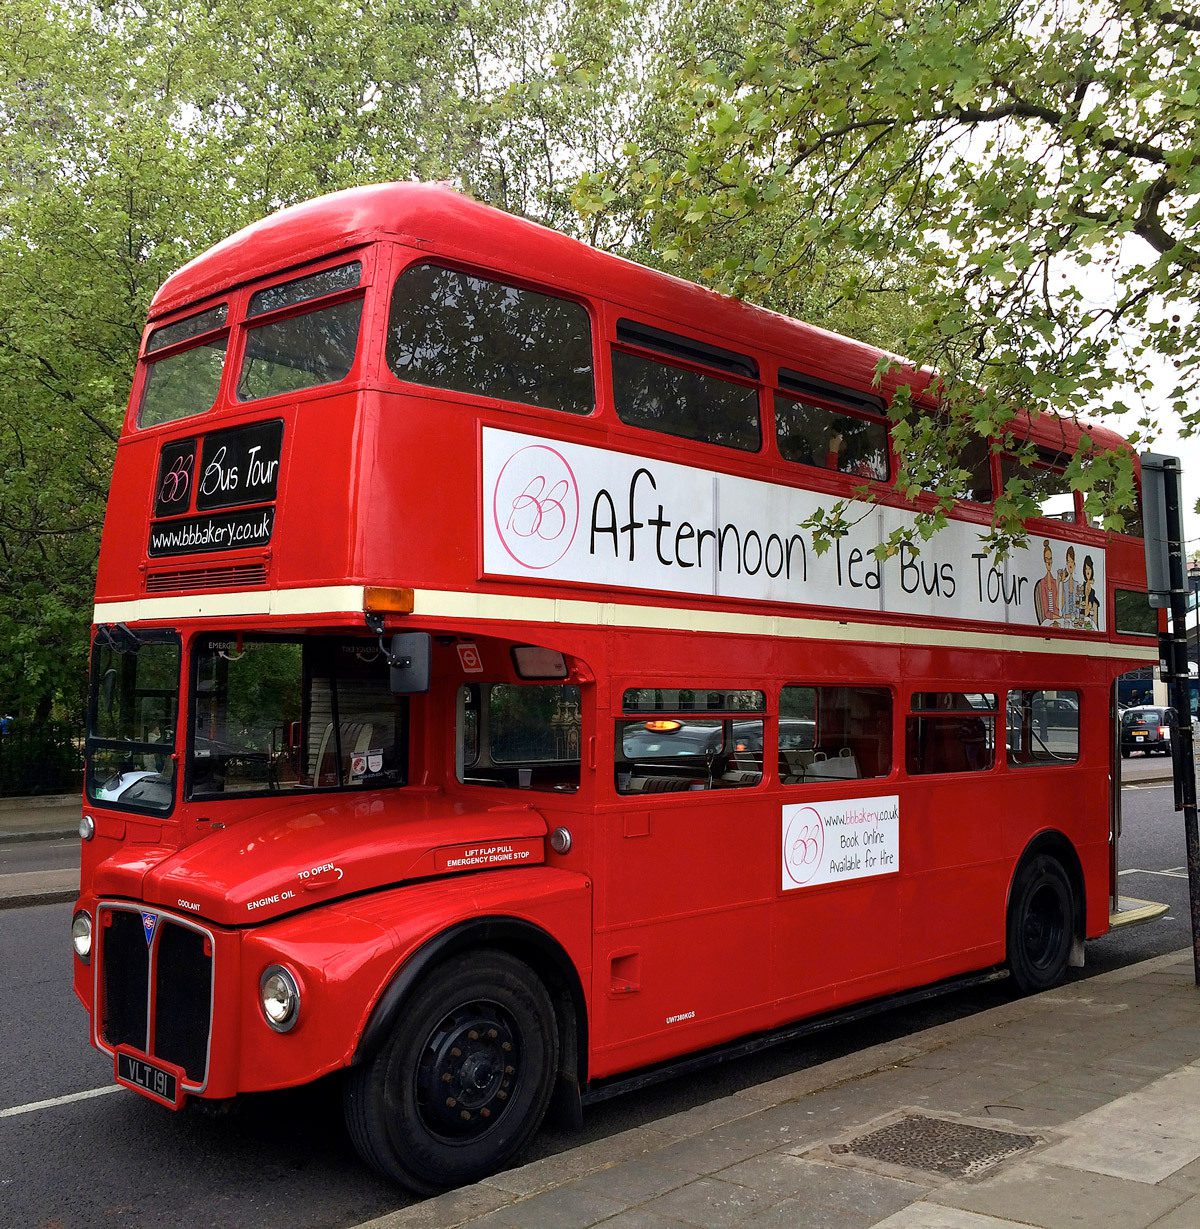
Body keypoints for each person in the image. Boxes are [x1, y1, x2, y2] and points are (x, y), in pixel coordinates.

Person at [1033, 539, 1061, 625]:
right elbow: (1046, 613)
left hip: (1058, 620)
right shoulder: (1042, 584)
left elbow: (1058, 606)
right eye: (1046, 559)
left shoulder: (1055, 582)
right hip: (1048, 622)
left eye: (1050, 559)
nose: (1049, 562)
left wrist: (1060, 584)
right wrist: (1059, 617)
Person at [1079, 554, 1101, 629]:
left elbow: (1086, 613)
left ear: (1092, 570)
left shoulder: (1092, 592)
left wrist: (1087, 595)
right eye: (1086, 569)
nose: (1088, 571)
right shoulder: (1081, 588)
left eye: (1089, 569)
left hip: (1086, 623)